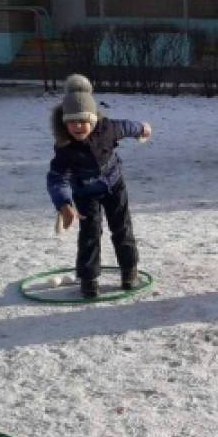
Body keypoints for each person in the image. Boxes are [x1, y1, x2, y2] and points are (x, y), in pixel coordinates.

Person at [46, 75, 152, 298]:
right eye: (72, 121)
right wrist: (64, 204)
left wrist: (141, 128)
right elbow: (57, 178)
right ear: (65, 122)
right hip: (85, 193)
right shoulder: (65, 148)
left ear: (93, 120)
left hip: (114, 185)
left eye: (83, 120)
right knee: (90, 233)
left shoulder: (107, 129)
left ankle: (129, 270)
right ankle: (88, 279)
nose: (78, 126)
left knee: (122, 227)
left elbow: (126, 127)